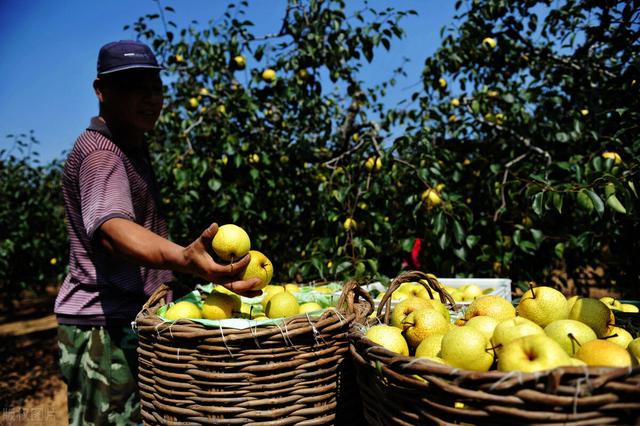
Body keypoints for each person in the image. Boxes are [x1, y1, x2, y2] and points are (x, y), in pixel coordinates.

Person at [54, 40, 261, 425]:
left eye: (155, 87)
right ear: (101, 91)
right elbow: (111, 228)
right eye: (134, 87)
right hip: (104, 327)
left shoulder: (130, 148)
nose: (149, 98)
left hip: (123, 319)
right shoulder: (103, 155)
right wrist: (184, 259)